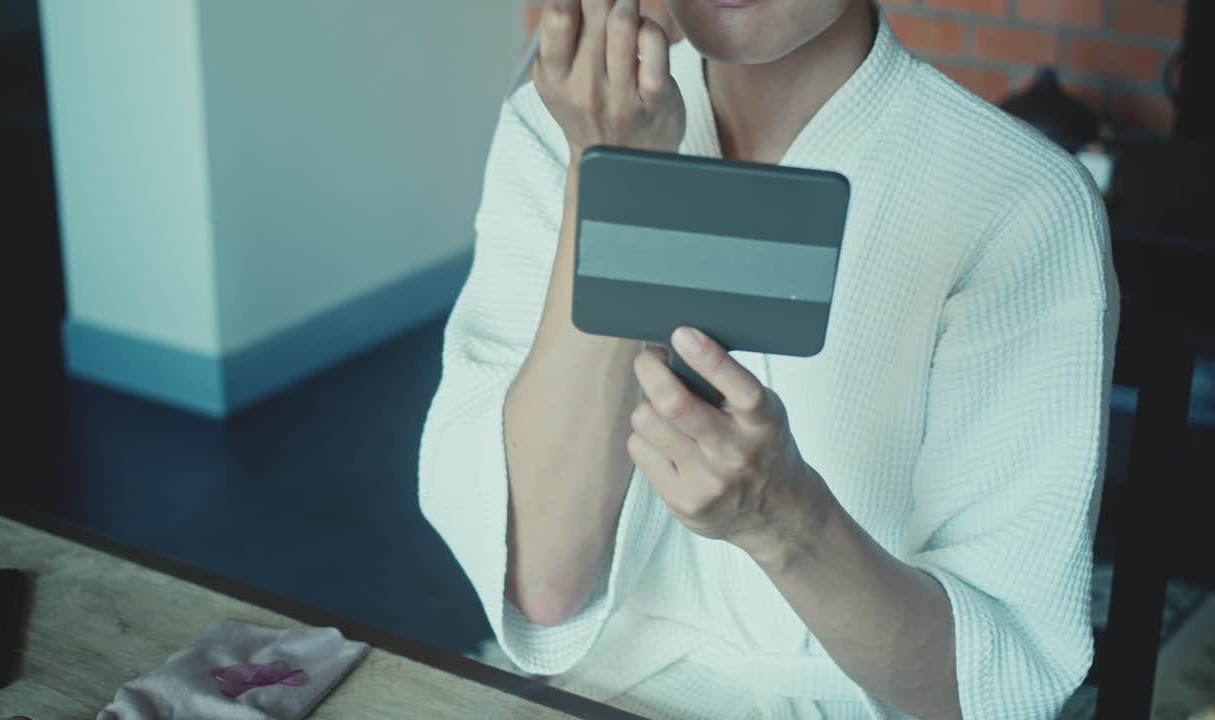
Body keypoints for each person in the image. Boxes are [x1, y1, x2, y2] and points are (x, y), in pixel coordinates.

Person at [418, 0, 1119, 717]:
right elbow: (543, 589)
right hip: (595, 693)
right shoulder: (562, 127)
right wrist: (613, 175)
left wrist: (783, 520)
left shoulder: (1021, 201)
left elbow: (984, 691)